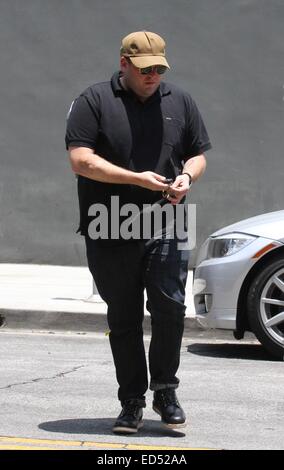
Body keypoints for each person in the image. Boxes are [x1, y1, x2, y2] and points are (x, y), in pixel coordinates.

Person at [65, 31, 211, 434]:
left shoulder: (180, 101)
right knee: (124, 316)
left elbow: (198, 153)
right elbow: (81, 161)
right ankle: (131, 401)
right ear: (124, 64)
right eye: (145, 69)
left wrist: (185, 176)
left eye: (159, 69)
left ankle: (165, 390)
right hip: (108, 223)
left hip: (167, 221)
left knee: (169, 309)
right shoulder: (94, 101)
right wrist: (136, 179)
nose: (153, 76)